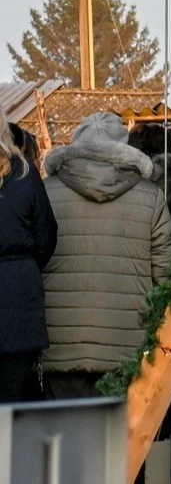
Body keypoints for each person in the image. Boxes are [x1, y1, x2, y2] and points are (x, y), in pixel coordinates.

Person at [39, 111, 171, 398]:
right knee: (119, 441)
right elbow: (167, 274)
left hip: (61, 345)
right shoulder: (151, 197)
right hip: (126, 345)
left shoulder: (46, 193)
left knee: (66, 439)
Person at [0, 122, 58, 402]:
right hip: (20, 305)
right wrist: (24, 269)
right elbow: (47, 236)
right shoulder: (24, 174)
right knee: (12, 402)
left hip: (18, 298)